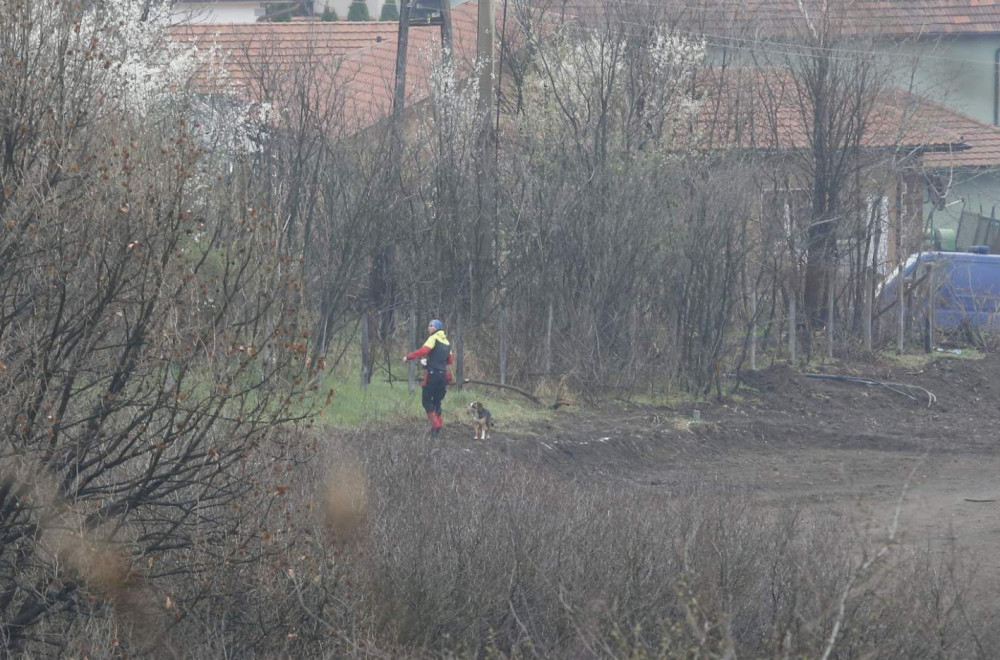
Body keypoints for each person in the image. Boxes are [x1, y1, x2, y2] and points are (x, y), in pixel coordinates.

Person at [402, 319, 453, 434]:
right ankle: (438, 425)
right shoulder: (447, 343)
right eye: (429, 325)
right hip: (443, 376)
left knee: (426, 401)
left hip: (433, 375)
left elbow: (423, 350)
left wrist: (408, 357)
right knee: (437, 402)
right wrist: (433, 362)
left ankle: (436, 425)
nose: (428, 328)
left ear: (436, 328)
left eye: (431, 325)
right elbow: (450, 360)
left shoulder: (433, 338)